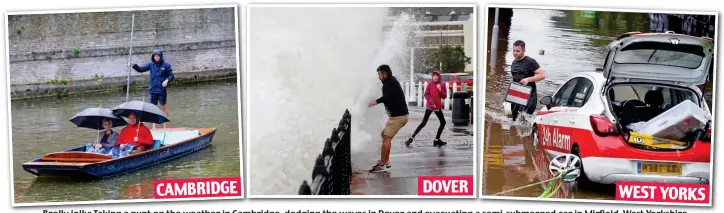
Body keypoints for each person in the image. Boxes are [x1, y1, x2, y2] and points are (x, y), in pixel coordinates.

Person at [367, 64, 409, 173]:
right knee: (385, 135)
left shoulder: (388, 83)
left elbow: (387, 97)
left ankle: (382, 164)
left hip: (398, 117)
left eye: (379, 74)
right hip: (399, 116)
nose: (378, 77)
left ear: (384, 74)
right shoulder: (391, 81)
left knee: (386, 138)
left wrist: (375, 102)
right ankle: (386, 161)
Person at [130, 50, 174, 129]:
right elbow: (141, 69)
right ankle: (154, 127)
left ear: (160, 56)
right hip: (153, 90)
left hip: (161, 90)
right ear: (153, 57)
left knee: (163, 107)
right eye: (155, 56)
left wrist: (167, 80)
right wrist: (134, 65)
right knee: (153, 109)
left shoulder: (166, 65)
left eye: (158, 56)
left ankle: (165, 125)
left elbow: (171, 75)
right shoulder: (151, 64)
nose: (156, 57)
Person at [404, 70, 448, 147]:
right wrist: (432, 103)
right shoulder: (430, 84)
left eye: (436, 76)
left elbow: (444, 96)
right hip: (430, 106)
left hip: (437, 107)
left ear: (439, 76)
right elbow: (426, 94)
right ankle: (411, 139)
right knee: (423, 123)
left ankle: (436, 140)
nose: (435, 77)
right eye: (433, 76)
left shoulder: (442, 84)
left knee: (443, 122)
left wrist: (440, 90)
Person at [510, 40, 545, 121]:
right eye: (514, 50)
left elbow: (542, 75)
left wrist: (528, 79)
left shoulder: (530, 62)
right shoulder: (513, 63)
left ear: (524, 50)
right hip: (517, 95)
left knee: (524, 120)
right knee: (514, 120)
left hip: (530, 96)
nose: (515, 53)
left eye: (518, 51)